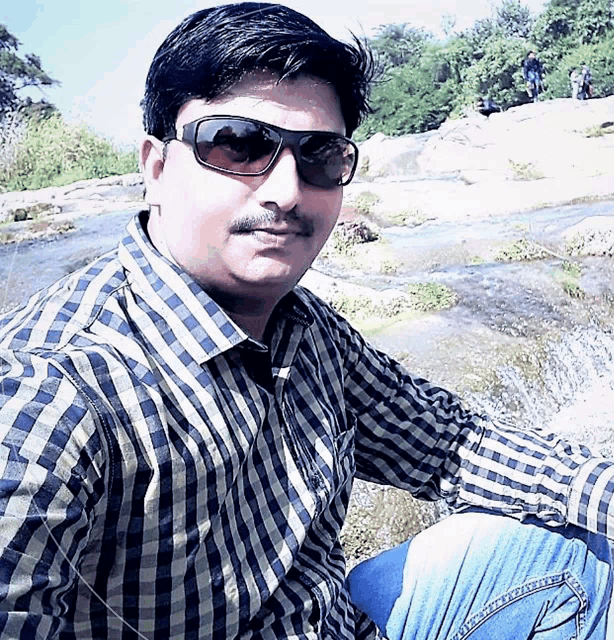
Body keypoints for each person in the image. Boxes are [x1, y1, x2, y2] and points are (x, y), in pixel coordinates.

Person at [0, 4, 613, 639]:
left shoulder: (305, 330)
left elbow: (449, 446)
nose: (285, 192)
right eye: (237, 145)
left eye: (318, 155)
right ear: (155, 168)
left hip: (337, 621)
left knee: (578, 547)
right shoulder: (50, 396)